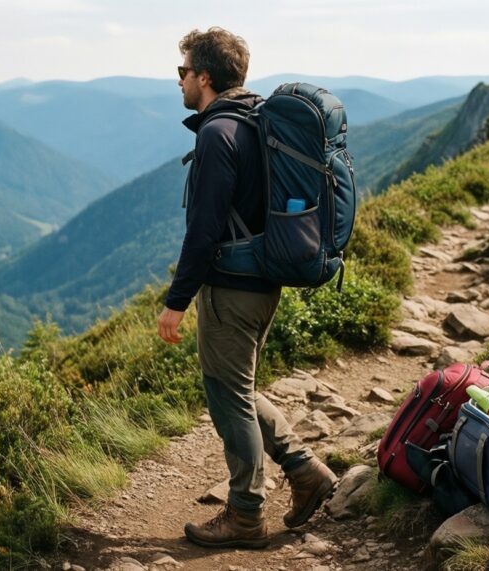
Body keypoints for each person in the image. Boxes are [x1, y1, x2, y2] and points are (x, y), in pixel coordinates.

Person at [156, 27, 338, 549]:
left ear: (205, 76)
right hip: (264, 281)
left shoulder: (218, 134)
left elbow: (204, 229)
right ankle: (306, 473)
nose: (180, 83)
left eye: (183, 72)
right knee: (237, 389)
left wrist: (176, 301)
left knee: (228, 398)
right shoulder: (257, 123)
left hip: (232, 287)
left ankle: (246, 515)